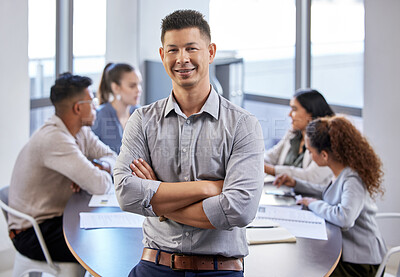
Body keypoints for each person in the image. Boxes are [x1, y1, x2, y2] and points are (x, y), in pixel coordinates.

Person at [113, 9, 264, 277]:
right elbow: (126, 193)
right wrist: (207, 188)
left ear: (210, 52)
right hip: (155, 265)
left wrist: (158, 203)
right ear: (162, 56)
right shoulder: (143, 121)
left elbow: (239, 209)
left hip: (219, 270)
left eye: (191, 48)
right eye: (173, 50)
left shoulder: (243, 124)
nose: (182, 59)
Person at [8, 73, 116, 263]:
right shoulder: (54, 139)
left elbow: (114, 158)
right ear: (77, 107)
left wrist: (97, 165)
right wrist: (92, 173)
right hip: (33, 233)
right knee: (103, 245)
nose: (96, 108)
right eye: (91, 102)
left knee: (104, 236)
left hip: (55, 218)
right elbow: (100, 186)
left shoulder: (81, 131)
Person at [274, 115, 386, 277]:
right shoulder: (341, 172)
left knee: (307, 269)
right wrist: (296, 183)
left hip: (362, 262)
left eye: (311, 152)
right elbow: (328, 193)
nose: (310, 155)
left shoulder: (352, 179)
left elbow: (344, 217)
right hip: (349, 252)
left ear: (324, 155)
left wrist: (312, 203)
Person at [264, 89, 334, 185]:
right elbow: (271, 156)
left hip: (311, 197)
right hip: (281, 192)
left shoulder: (329, 141)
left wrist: (271, 170)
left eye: (294, 109)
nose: (289, 114)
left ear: (311, 113)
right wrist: (255, 162)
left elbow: (311, 176)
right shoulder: (293, 134)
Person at [92, 63, 142, 154]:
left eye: (139, 84)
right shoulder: (99, 116)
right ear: (115, 87)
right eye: (132, 86)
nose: (138, 90)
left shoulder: (140, 113)